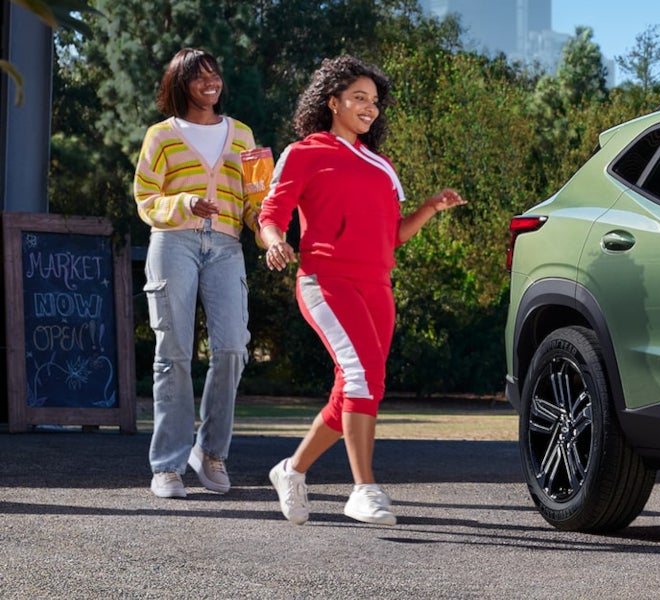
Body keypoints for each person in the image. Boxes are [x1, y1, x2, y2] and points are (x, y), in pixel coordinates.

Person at [257, 55, 466, 526]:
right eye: (358, 98)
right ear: (333, 102)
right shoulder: (305, 152)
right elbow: (271, 213)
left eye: (374, 100)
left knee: (357, 387)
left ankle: (291, 470)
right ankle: (363, 489)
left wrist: (430, 207)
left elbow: (393, 235)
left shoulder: (380, 165)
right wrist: (275, 242)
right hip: (325, 281)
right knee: (362, 378)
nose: (370, 108)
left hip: (377, 286)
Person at [134, 48, 273, 499]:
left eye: (215, 75)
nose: (211, 83)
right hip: (173, 243)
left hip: (227, 247)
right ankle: (167, 466)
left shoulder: (243, 135)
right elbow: (145, 198)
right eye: (200, 77)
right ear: (181, 84)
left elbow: (258, 201)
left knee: (232, 349)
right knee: (173, 353)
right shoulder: (160, 135)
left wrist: (270, 235)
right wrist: (185, 204)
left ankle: (210, 452)